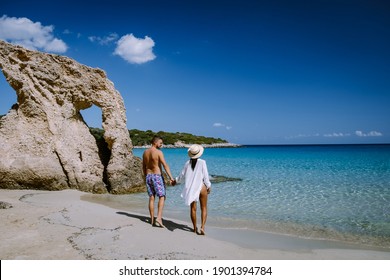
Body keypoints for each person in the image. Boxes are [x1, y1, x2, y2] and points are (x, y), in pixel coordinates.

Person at [176, 144, 211, 235]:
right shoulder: (202, 162)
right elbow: (206, 177)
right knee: (204, 208)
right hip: (202, 187)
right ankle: (202, 227)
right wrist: (208, 186)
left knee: (193, 209)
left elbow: (181, 176)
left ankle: (194, 228)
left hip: (192, 189)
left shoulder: (187, 163)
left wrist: (175, 181)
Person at [142, 136, 175, 228]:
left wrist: (146, 177)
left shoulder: (145, 152)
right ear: (155, 142)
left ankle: (152, 219)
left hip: (148, 176)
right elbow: (165, 165)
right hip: (157, 176)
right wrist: (171, 178)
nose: (161, 145)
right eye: (160, 143)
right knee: (162, 196)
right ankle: (159, 218)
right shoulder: (158, 152)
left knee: (151, 197)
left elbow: (144, 167)